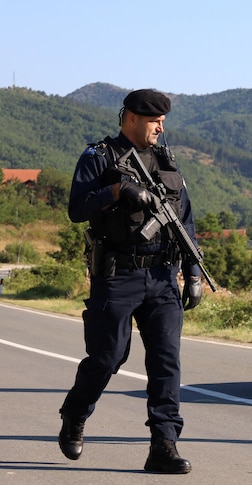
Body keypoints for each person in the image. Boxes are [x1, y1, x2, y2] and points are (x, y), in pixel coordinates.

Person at [59, 89, 203, 474]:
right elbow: (76, 209)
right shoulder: (99, 157)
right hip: (117, 275)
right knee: (107, 356)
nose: (161, 126)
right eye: (155, 120)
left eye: (163, 121)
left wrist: (192, 272)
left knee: (166, 362)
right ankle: (75, 414)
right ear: (131, 118)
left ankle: (163, 445)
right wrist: (117, 190)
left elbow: (184, 219)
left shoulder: (166, 160)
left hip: (162, 276)